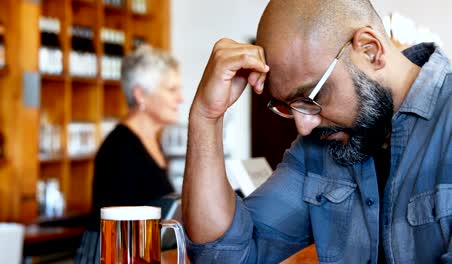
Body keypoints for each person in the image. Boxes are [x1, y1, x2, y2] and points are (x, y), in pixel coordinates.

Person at [182, 0, 452, 263]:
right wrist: (206, 117)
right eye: (290, 106)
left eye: (314, 95)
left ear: (371, 50)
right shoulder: (321, 145)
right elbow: (224, 256)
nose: (304, 126)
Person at [75, 44, 183, 264]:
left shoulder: (151, 140)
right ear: (140, 94)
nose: (181, 98)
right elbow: (120, 236)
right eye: (172, 90)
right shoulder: (121, 149)